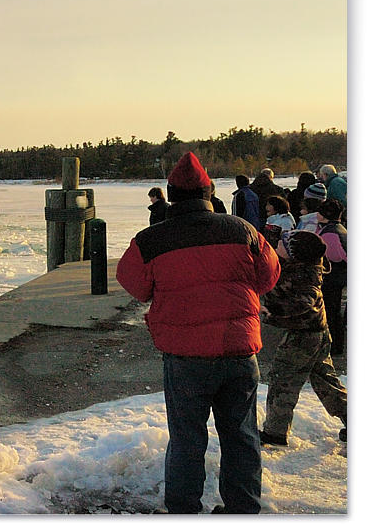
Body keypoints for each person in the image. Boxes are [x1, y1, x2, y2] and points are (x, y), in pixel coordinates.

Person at [116, 152, 280, 514]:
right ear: (209, 192)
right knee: (242, 435)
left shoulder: (151, 240)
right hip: (240, 351)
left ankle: (184, 509)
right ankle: (243, 507)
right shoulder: (243, 231)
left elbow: (135, 286)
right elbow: (268, 277)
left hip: (186, 356)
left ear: (172, 195)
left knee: (187, 438)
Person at [259, 230, 347, 445]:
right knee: (325, 380)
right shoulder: (302, 268)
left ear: (295, 254)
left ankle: (275, 432)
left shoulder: (304, 276)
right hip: (317, 332)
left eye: (283, 243)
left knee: (283, 380)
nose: (278, 244)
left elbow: (303, 302)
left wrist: (271, 311)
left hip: (303, 337)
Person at [315, 199, 347, 355]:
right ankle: (335, 345)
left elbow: (334, 256)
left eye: (319, 212)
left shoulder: (329, 233)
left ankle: (334, 346)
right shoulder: (338, 228)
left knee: (331, 312)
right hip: (338, 277)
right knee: (334, 311)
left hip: (332, 277)